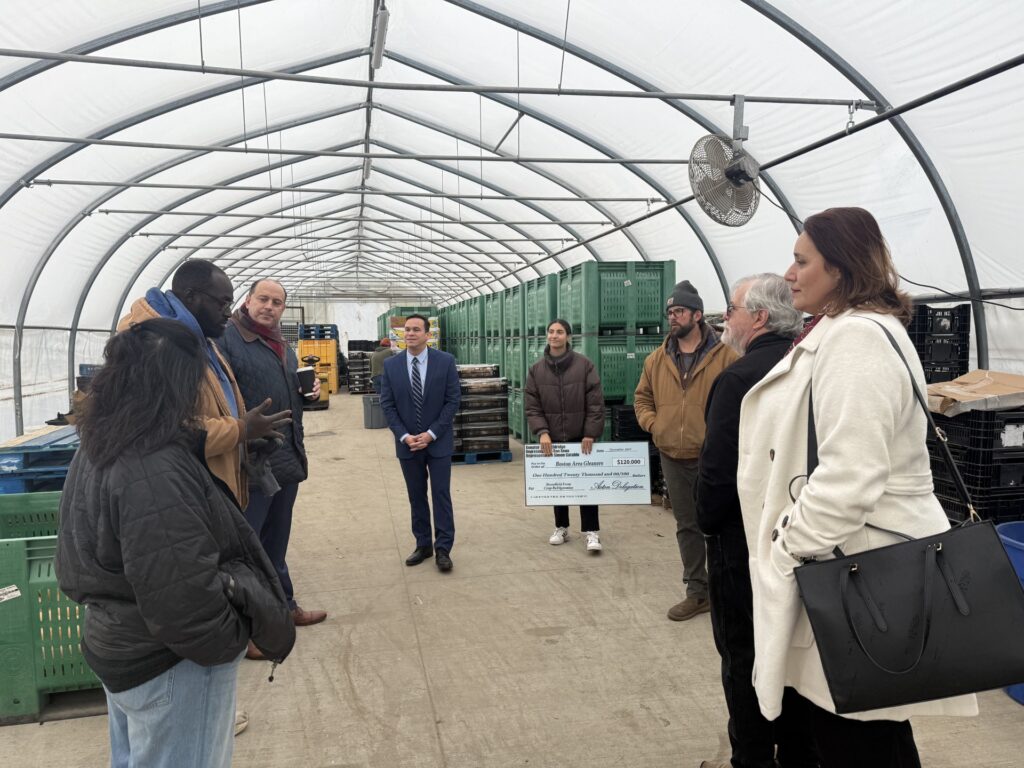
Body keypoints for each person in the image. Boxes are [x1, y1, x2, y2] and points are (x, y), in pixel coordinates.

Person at [738, 208, 977, 767]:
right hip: (856, 562)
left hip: (858, 571)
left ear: (840, 269)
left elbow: (851, 476)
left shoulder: (857, 340)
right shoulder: (848, 330)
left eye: (802, 261)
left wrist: (787, 548)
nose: (789, 274)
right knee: (867, 728)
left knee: (858, 735)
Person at [55, 318, 295, 768]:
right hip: (169, 664)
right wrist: (229, 643)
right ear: (176, 383)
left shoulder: (101, 443)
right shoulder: (152, 467)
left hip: (120, 643)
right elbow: (183, 599)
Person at [694, 274, 814, 768]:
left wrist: (705, 521)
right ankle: (799, 755)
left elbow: (718, 472)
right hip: (803, 536)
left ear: (759, 317)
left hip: (740, 542)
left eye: (732, 309)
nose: (725, 319)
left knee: (743, 653)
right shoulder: (809, 366)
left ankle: (752, 758)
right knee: (796, 657)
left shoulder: (738, 379)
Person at [117, 260, 292, 509]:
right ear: (191, 296)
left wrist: (242, 441)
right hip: (179, 494)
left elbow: (206, 409)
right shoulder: (155, 346)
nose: (228, 312)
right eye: (222, 303)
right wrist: (240, 430)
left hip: (208, 482)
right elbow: (165, 432)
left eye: (277, 302)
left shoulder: (202, 341)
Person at [220, 279, 328, 659]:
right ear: (248, 300)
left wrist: (306, 395)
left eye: (277, 302)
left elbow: (286, 393)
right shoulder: (226, 341)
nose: (269, 306)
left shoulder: (282, 345)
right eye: (263, 299)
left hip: (285, 458)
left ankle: (285, 605)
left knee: (276, 543)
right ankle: (250, 629)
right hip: (251, 462)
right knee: (248, 549)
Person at [634, 280, 738, 621]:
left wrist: (720, 439)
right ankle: (697, 592)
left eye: (679, 311)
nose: (672, 317)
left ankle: (728, 591)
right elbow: (642, 398)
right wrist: (656, 425)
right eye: (670, 312)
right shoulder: (657, 359)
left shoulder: (726, 356)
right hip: (672, 456)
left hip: (714, 457)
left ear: (697, 314)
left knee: (721, 524)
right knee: (687, 525)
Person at [379, 314, 461, 572]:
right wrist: (404, 436)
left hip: (437, 443)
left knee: (441, 495)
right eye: (407, 329)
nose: (410, 333)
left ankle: (443, 548)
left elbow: (452, 400)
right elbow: (387, 405)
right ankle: (423, 544)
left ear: (427, 334)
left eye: (416, 329)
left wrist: (431, 433)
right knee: (416, 496)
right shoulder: (391, 366)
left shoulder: (445, 361)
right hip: (408, 444)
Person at [524, 319, 606, 552]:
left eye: (559, 332)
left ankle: (591, 531)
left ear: (568, 337)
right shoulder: (536, 370)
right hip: (552, 439)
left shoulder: (584, 365)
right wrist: (542, 432)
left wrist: (590, 433)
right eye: (551, 331)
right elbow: (532, 406)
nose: (554, 336)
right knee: (558, 484)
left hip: (581, 438)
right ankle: (561, 527)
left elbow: (595, 403)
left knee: (586, 484)